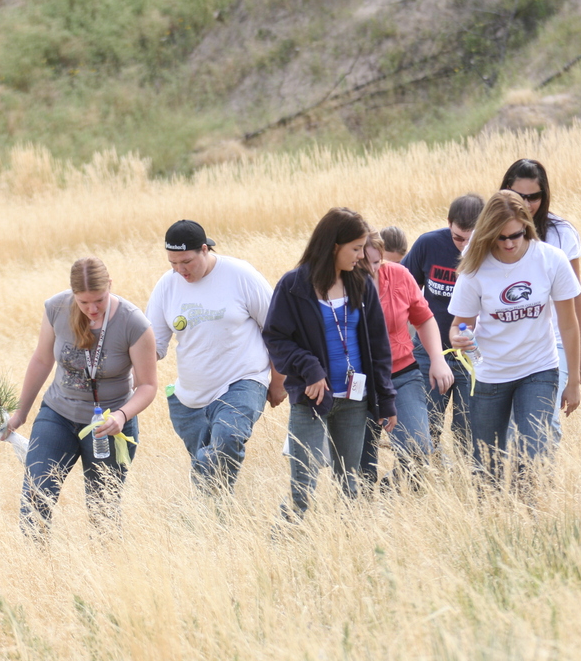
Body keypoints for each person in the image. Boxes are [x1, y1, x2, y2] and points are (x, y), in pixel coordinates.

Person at [5, 257, 157, 537]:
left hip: (108, 425)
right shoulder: (56, 308)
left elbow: (148, 385)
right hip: (58, 415)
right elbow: (41, 360)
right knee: (36, 494)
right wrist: (20, 415)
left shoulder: (134, 323)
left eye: (98, 300)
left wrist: (123, 416)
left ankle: (107, 572)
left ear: (110, 285)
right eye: (84, 302)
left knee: (103, 510)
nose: (92, 309)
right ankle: (36, 570)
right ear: (73, 293)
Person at [264, 208, 398, 518]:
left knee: (351, 486)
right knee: (302, 487)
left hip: (355, 400)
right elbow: (276, 338)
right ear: (333, 246)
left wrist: (386, 399)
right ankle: (280, 549)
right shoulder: (293, 286)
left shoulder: (361, 283)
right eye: (355, 248)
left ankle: (348, 553)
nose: (361, 255)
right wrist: (309, 367)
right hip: (312, 400)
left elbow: (378, 347)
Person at [449, 191, 581, 483]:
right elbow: (460, 325)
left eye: (516, 235)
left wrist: (572, 381)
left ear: (527, 226)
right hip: (491, 374)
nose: (509, 243)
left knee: (533, 453)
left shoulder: (551, 260)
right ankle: (494, 521)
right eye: (500, 237)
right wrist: (460, 339)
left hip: (539, 369)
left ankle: (529, 515)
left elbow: (569, 324)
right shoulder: (475, 266)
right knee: (487, 466)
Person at [146, 220, 285, 493]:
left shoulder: (240, 275)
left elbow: (277, 329)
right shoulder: (167, 285)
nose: (180, 270)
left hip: (243, 380)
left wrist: (278, 381)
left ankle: (205, 510)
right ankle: (213, 521)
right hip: (191, 398)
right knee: (210, 471)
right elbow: (154, 346)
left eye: (186, 261)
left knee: (228, 438)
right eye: (173, 263)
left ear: (205, 249)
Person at [499, 159, 581, 443]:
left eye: (535, 197)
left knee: (544, 427)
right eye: (521, 196)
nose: (528, 204)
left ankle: (539, 485)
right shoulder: (487, 235)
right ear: (506, 191)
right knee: (505, 433)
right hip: (501, 344)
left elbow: (576, 296)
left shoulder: (561, 233)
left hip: (552, 343)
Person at [360, 230, 454, 484]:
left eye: (376, 262)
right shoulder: (337, 283)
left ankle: (392, 494)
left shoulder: (399, 275)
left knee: (419, 452)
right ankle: (363, 513)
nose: (370, 270)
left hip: (401, 375)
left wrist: (437, 358)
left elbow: (423, 319)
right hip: (357, 381)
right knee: (359, 467)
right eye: (362, 263)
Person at [401, 193, 483, 450]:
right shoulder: (428, 244)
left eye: (472, 240)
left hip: (475, 355)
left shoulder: (495, 251)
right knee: (423, 429)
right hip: (428, 352)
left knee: (468, 432)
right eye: (458, 238)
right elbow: (401, 291)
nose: (464, 246)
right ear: (448, 223)